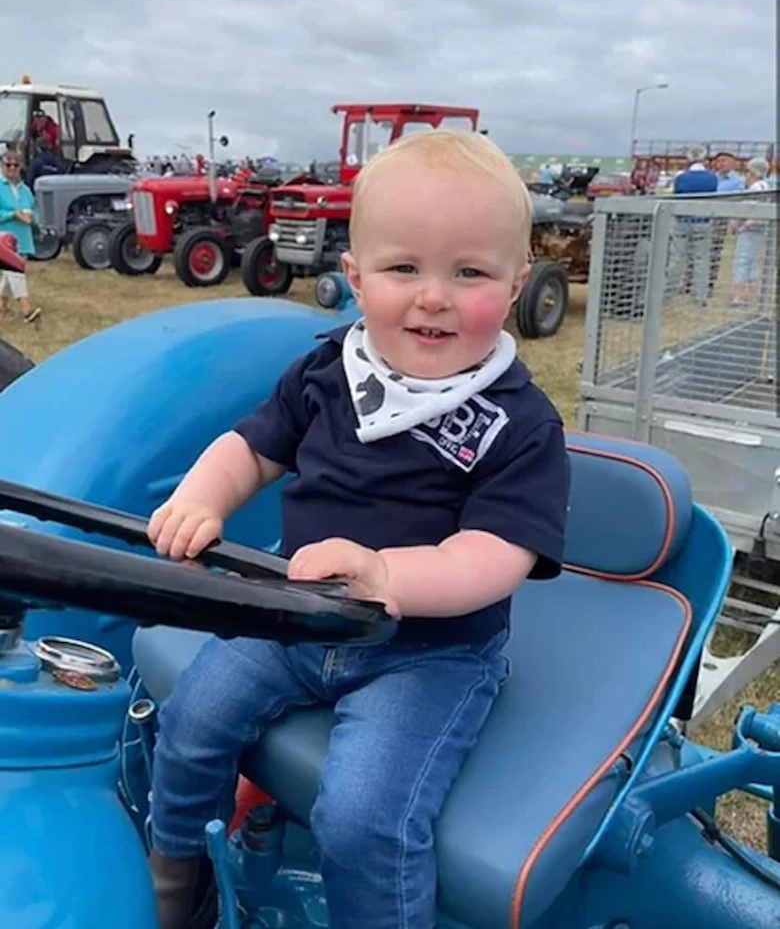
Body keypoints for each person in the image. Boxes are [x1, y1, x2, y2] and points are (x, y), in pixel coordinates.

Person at [145, 129, 571, 929]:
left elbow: (496, 556)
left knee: (365, 816)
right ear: (354, 276)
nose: (433, 295)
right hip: (293, 614)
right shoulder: (329, 372)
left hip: (429, 653)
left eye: (469, 272)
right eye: (404, 267)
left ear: (514, 287)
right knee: (191, 720)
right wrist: (204, 497)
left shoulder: (519, 423)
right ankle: (177, 884)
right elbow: (251, 447)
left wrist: (387, 578)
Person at [670, 146, 719, 303]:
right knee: (701, 259)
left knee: (677, 258)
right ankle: (700, 296)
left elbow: (676, 196)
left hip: (683, 221)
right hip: (703, 221)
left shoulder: (681, 178)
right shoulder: (712, 178)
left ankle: (668, 292)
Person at [0, 151, 41, 322]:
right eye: (8, 165)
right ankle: (27, 311)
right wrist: (13, 215)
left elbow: (35, 209)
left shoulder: (26, 190)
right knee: (16, 273)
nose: (12, 169)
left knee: (9, 279)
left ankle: (1, 309)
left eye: (15, 165)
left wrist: (32, 217)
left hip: (22, 239)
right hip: (4, 240)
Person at [731, 157, 771, 306]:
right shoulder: (766, 185)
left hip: (748, 229)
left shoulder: (755, 188)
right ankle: (753, 296)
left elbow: (748, 209)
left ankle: (738, 297)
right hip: (760, 229)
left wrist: (738, 224)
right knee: (753, 262)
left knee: (741, 261)